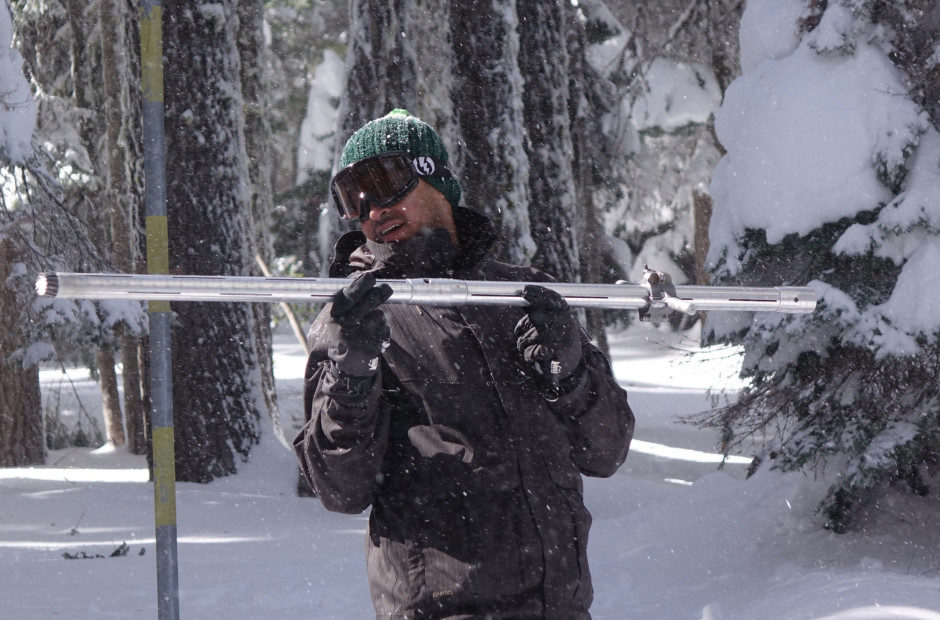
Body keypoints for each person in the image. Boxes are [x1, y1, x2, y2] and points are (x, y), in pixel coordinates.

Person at [294, 109, 634, 619]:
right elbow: (340, 487)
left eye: (382, 183)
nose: (370, 210)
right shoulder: (355, 320)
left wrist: (570, 372)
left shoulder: (520, 293)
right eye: (351, 197)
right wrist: (351, 372)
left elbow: (607, 450)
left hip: (559, 606)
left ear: (433, 176)